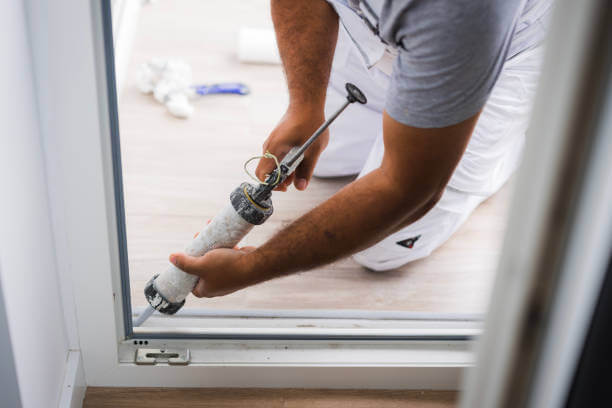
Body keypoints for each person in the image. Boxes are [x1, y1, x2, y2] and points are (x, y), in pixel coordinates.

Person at [169, 0, 553, 297]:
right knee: (322, 161)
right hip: (397, 32)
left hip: (495, 60)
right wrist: (305, 106)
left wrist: (254, 267)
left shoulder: (458, 13)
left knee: (381, 249)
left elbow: (408, 191)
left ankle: (502, 144)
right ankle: (413, 118)